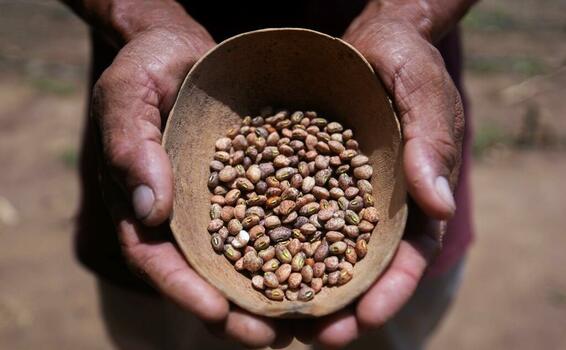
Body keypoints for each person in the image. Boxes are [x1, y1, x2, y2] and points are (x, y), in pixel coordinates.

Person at [61, 0, 475, 348]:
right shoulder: (265, 199)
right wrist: (136, 14)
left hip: (395, 103)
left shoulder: (320, 201)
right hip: (162, 117)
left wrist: (410, 14)